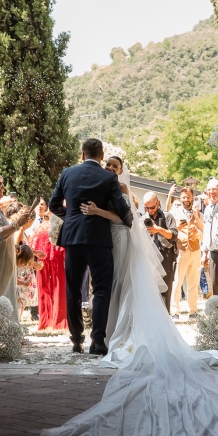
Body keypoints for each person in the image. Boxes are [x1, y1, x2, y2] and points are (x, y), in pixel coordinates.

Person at [40, 156, 218, 436]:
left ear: (120, 171)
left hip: (116, 239)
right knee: (105, 291)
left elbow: (125, 218)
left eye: (114, 167)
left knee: (110, 290)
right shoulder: (104, 184)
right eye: (108, 166)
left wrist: (93, 213)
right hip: (104, 242)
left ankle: (102, 337)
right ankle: (96, 338)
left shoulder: (118, 187)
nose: (110, 170)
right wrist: (87, 214)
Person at [49, 138, 133, 355]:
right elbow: (122, 209)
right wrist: (130, 221)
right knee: (101, 289)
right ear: (102, 156)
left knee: (73, 290)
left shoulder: (67, 173)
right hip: (99, 239)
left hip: (73, 238)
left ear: (82, 154)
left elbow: (53, 204)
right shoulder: (108, 177)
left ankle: (76, 340)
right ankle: (98, 341)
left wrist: (71, 217)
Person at [0, 174, 33, 314]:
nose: (3, 187)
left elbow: (3, 235)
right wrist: (17, 224)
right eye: (0, 184)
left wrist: (12, 246)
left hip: (2, 263)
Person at [31, 200, 68, 331]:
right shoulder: (60, 224)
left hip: (45, 260)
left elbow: (33, 243)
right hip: (55, 259)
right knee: (58, 288)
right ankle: (58, 319)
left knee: (46, 288)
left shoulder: (42, 226)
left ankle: (47, 319)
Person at [169, 186, 204, 317]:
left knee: (193, 283)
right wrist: (177, 227)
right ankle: (175, 311)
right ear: (180, 198)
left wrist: (197, 232)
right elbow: (171, 232)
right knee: (177, 282)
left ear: (192, 197)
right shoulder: (175, 213)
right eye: (184, 197)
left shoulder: (199, 214)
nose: (186, 199)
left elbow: (203, 234)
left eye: (188, 197)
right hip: (181, 250)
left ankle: (193, 311)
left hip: (195, 251)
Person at [142, 191, 178, 310]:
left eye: (152, 207)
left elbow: (173, 235)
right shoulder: (143, 218)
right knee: (150, 290)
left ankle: (165, 316)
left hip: (166, 256)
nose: (150, 211)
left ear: (157, 202)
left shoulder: (167, 216)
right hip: (149, 257)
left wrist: (158, 229)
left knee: (165, 291)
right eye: (146, 208)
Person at [201, 177, 218, 296]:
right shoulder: (207, 209)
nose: (211, 192)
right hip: (213, 252)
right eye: (209, 190)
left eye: (214, 189)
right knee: (215, 285)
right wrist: (204, 253)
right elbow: (206, 231)